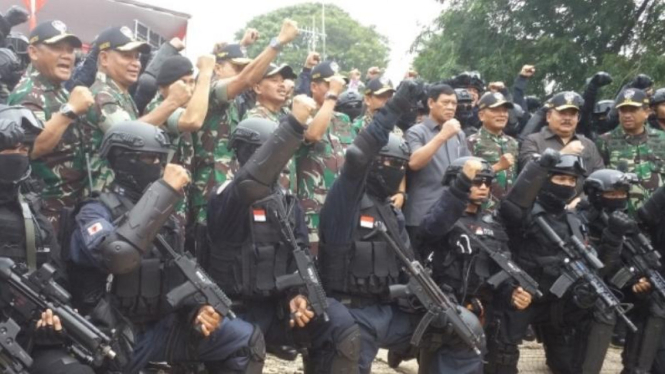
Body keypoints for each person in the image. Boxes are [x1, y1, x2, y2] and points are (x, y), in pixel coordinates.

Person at [67, 122, 262, 373]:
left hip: (161, 325)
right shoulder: (95, 211)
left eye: (161, 158)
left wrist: (198, 309)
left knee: (244, 340)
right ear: (124, 161)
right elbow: (116, 256)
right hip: (112, 334)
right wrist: (165, 191)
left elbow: (176, 275)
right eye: (150, 158)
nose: (159, 166)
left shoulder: (164, 215)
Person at [319, 80, 485, 373]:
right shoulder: (345, 202)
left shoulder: (391, 212)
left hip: (390, 311)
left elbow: (428, 233)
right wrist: (395, 107)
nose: (394, 170)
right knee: (349, 342)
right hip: (349, 312)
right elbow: (358, 156)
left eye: (399, 164)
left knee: (464, 328)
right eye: (385, 163)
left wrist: (460, 189)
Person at [206, 95, 360, 373]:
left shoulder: (287, 201)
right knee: (247, 344)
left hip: (278, 309)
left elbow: (298, 254)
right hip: (233, 311)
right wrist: (294, 122)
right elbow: (249, 184)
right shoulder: (226, 197)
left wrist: (297, 294)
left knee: (340, 324)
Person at [488, 151, 623, 374]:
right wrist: (537, 168)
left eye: (572, 180)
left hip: (557, 302)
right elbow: (511, 205)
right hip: (522, 296)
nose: (567, 184)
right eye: (560, 179)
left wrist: (614, 239)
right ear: (545, 179)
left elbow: (598, 265)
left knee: (569, 363)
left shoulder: (573, 218)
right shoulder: (525, 212)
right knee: (501, 360)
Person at [0, 105, 94, 374]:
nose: (18, 156)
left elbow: (55, 281)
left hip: (24, 339)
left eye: (23, 149)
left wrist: (47, 327)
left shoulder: (32, 215)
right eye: (9, 149)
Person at [190, 19, 299, 247]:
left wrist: (242, 46)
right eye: (238, 66)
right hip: (210, 194)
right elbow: (247, 78)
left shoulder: (240, 102)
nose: (246, 72)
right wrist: (277, 42)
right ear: (217, 69)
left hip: (235, 195)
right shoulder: (209, 91)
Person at [419, 156, 533, 372]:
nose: (483, 187)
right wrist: (461, 184)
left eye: (487, 183)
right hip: (449, 316)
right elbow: (432, 227)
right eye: (476, 182)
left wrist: (514, 294)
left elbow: (503, 271)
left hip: (486, 317)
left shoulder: (493, 225)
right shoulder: (440, 218)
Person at [7, 20, 94, 231]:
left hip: (68, 207)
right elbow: (31, 149)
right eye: (56, 48)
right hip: (47, 211)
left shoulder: (58, 89)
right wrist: (69, 111)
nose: (67, 55)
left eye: (71, 50)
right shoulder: (28, 93)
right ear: (33, 52)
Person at [82, 26, 191, 193]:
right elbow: (130, 139)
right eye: (126, 56)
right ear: (104, 58)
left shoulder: (120, 93)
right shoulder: (102, 95)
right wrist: (171, 102)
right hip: (104, 197)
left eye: (137, 57)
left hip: (121, 193)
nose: (135, 63)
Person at [579, 169, 660, 374]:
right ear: (596, 194)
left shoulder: (627, 221)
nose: (618, 199)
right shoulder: (582, 220)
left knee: (657, 303)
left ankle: (638, 368)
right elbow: (599, 268)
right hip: (588, 290)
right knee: (604, 310)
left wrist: (640, 280)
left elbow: (637, 257)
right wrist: (613, 237)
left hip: (626, 284)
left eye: (622, 194)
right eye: (612, 194)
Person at [143, 54, 215, 237]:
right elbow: (193, 121)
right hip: (157, 209)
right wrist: (205, 73)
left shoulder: (181, 109)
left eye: (193, 82)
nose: (190, 89)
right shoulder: (158, 108)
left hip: (177, 207)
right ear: (162, 87)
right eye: (184, 82)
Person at [295, 60, 355, 253]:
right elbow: (313, 135)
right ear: (313, 86)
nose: (335, 90)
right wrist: (332, 97)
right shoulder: (303, 114)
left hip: (342, 208)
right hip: (312, 210)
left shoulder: (343, 120)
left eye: (338, 85)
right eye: (329, 85)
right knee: (313, 263)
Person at [404, 83, 469, 253]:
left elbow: (468, 167)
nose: (450, 107)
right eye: (445, 102)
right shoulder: (416, 131)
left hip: (452, 217)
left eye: (454, 103)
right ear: (431, 103)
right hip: (421, 215)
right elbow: (414, 162)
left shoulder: (459, 134)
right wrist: (443, 135)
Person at [596, 88, 665, 214]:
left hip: (660, 219)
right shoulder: (605, 142)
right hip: (621, 217)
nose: (627, 115)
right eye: (623, 110)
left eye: (633, 110)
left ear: (647, 112)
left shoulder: (662, 139)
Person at [243, 62, 297, 191]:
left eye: (283, 81)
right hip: (266, 196)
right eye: (274, 81)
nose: (282, 85)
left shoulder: (287, 114)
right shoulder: (254, 119)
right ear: (257, 88)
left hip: (288, 197)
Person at [466, 92, 518, 210]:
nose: (502, 115)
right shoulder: (472, 142)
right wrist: (497, 167)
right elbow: (467, 176)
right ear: (481, 115)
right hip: (483, 209)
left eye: (505, 111)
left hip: (509, 210)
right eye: (495, 110)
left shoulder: (513, 143)